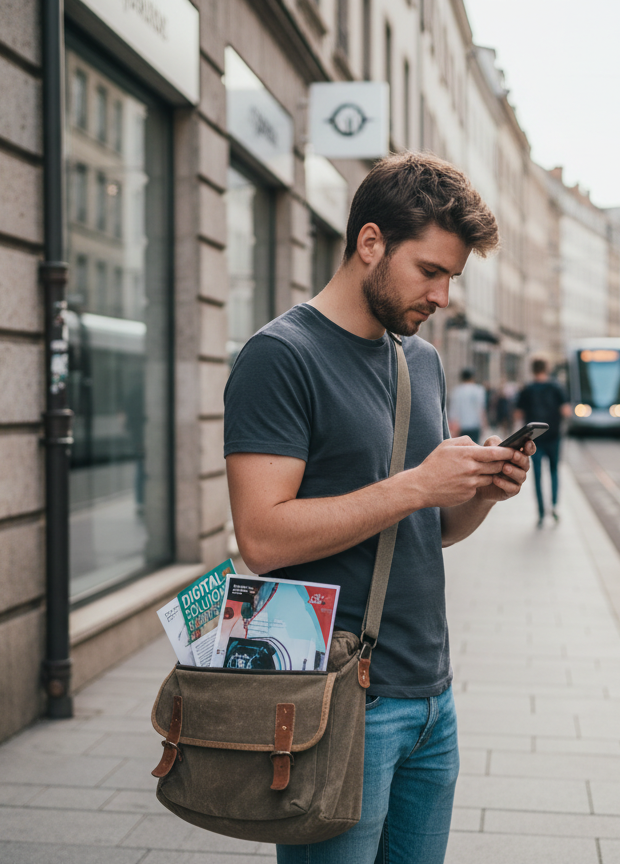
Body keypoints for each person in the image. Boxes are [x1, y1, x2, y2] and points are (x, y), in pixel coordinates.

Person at [223, 152, 532, 864]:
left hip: (432, 697)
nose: (444, 296)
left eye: (453, 277)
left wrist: (481, 492)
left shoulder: (416, 360)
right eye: (430, 271)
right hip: (338, 701)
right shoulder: (280, 356)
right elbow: (263, 538)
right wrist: (420, 484)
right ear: (370, 243)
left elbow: (431, 531)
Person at [515, 357, 571, 528]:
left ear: (532, 370)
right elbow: (567, 411)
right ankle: (553, 505)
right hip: (553, 436)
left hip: (534, 440)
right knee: (554, 471)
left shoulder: (527, 389)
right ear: (546, 369)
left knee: (537, 475)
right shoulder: (556, 387)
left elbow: (517, 414)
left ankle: (540, 512)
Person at [448, 367, 485, 442]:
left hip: (461, 426)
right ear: (472, 377)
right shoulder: (478, 390)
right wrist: (483, 425)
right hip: (475, 425)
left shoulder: (456, 391)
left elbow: (453, 410)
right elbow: (481, 409)